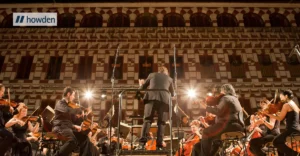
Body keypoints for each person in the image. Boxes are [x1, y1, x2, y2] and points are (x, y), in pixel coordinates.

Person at [191, 84, 245, 156]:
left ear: (224, 91)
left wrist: (206, 107)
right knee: (213, 140)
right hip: (239, 128)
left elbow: (218, 110)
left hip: (228, 126)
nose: (221, 93)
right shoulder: (236, 99)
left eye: (221, 91)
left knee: (206, 132)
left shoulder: (226, 98)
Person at [136, 65, 175, 150]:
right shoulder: (170, 79)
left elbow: (143, 87)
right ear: (166, 73)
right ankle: (159, 145)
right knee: (162, 123)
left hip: (151, 98)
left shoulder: (152, 75)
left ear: (158, 71)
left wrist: (140, 84)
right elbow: (173, 94)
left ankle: (141, 144)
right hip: (164, 100)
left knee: (147, 120)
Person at [263, 89, 300, 156]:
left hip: (291, 129)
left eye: (281, 96)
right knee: (282, 143)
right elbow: (289, 115)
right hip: (297, 129)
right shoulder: (294, 104)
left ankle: (293, 154)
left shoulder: (286, 105)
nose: (280, 98)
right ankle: (292, 153)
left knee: (276, 142)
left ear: (286, 96)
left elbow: (280, 118)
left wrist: (268, 114)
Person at [52, 86, 83, 156]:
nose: (74, 97)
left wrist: (80, 117)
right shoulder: (60, 103)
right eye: (73, 95)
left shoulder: (68, 106)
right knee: (72, 141)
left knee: (80, 141)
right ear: (68, 94)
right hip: (59, 128)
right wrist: (77, 109)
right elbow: (66, 111)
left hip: (65, 128)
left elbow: (70, 121)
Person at [0, 84, 25, 156]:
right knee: (9, 136)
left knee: (14, 139)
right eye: (2, 91)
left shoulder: (2, 103)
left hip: (1, 127)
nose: (3, 93)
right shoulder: (2, 104)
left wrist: (13, 109)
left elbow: (9, 115)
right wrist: (8, 106)